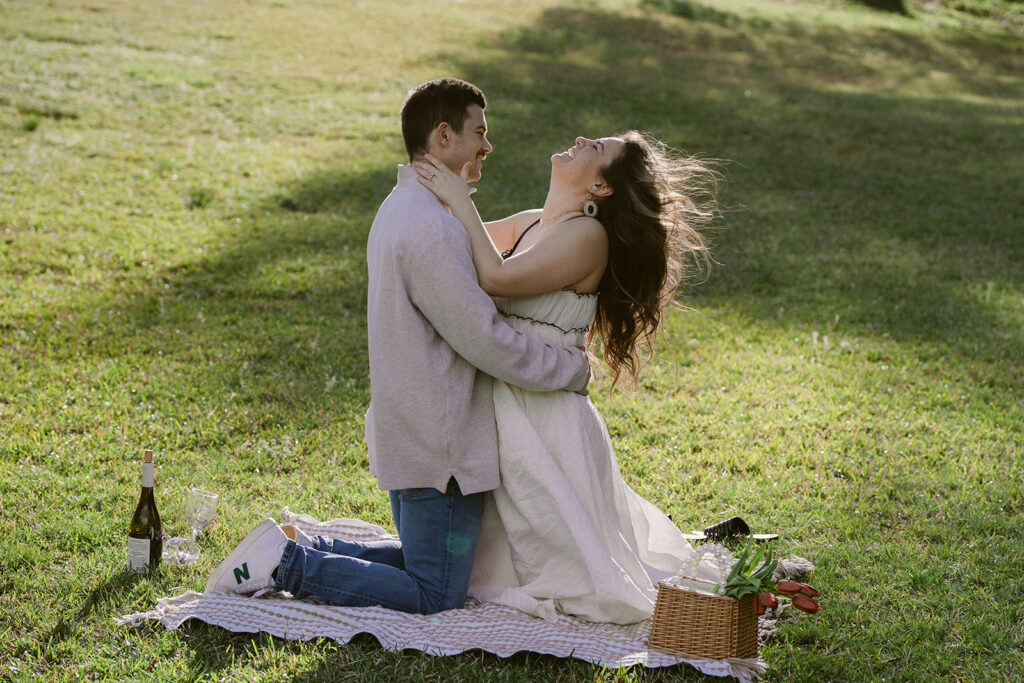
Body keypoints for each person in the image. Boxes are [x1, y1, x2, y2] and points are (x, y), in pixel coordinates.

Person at [204, 78, 591, 614]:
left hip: (416, 429)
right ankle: (286, 564)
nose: (488, 145)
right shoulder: (431, 228)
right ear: (443, 135)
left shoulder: (406, 207)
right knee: (435, 592)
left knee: (427, 565)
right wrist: (567, 370)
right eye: (480, 132)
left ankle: (299, 547)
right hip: (441, 446)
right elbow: (486, 340)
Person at [410, 130, 719, 624]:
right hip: (513, 393)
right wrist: (443, 189)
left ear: (600, 189)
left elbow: (495, 278)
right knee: (514, 542)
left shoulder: (586, 237)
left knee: (560, 553)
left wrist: (456, 200)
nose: (580, 138)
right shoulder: (536, 222)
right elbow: (457, 244)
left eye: (596, 148)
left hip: (544, 412)